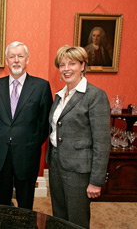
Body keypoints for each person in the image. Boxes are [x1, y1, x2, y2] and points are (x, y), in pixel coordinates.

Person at [47, 45, 111, 228]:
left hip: (79, 172)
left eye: (72, 63)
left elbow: (102, 142)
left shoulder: (95, 96)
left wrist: (96, 181)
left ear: (83, 65)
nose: (66, 69)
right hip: (57, 166)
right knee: (59, 217)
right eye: (62, 65)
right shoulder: (60, 96)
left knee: (77, 221)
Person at [0, 41, 53, 209]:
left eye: (20, 56)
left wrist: (31, 142)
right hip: (0, 154)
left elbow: (45, 122)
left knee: (25, 205)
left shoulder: (41, 86)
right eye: (12, 56)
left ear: (27, 60)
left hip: (27, 153)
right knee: (0, 204)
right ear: (6, 61)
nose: (16, 60)